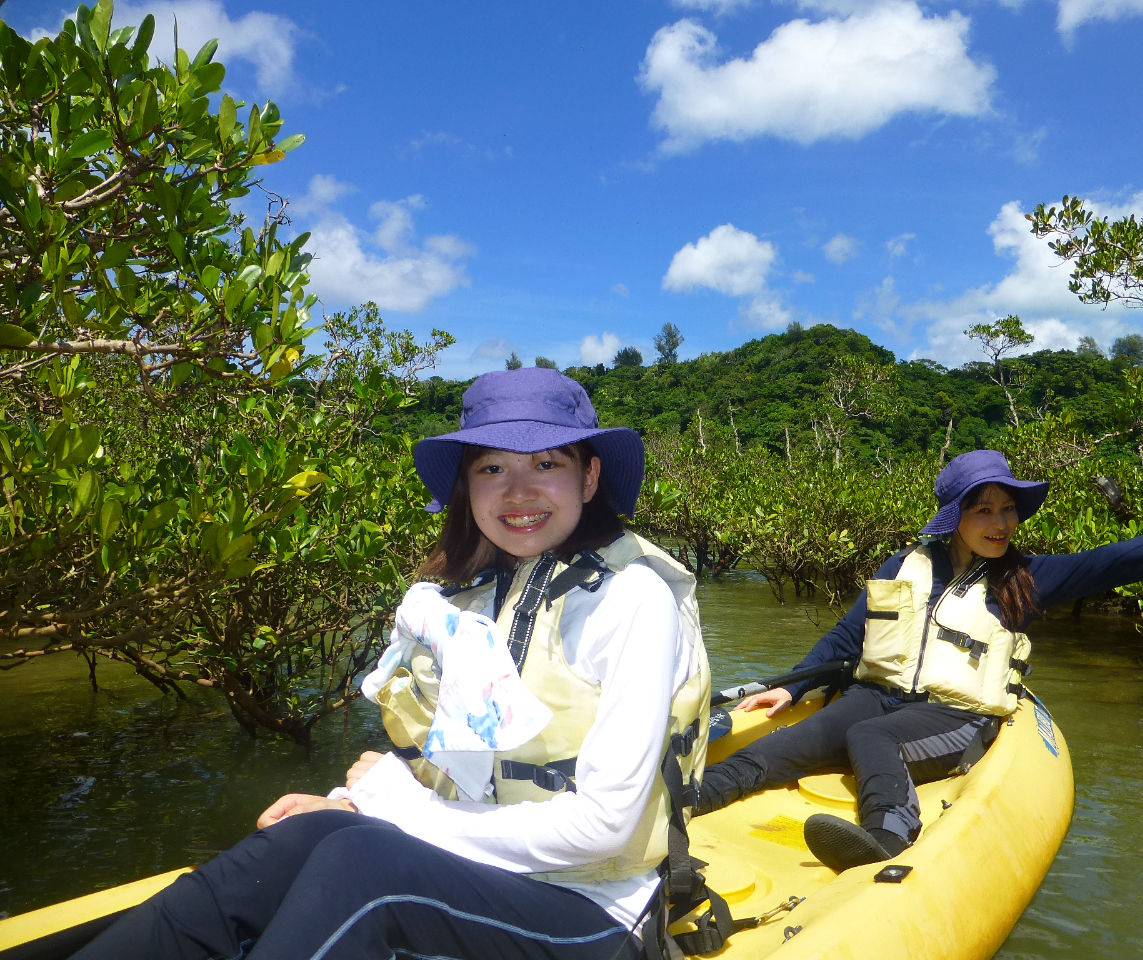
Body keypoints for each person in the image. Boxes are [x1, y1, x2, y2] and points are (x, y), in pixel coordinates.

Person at [70, 368, 711, 960]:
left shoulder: (633, 599)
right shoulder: (476, 599)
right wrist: (351, 803)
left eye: (547, 463)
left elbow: (603, 828)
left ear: (589, 478)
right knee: (301, 839)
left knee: (362, 867)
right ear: (467, 486)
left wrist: (399, 811)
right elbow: (456, 768)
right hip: (481, 868)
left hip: (596, 907)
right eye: (492, 468)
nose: (518, 491)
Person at [694, 449, 1143, 873]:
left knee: (872, 738)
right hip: (878, 695)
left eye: (1007, 510)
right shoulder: (904, 565)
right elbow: (849, 637)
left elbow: (1128, 556)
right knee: (773, 751)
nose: (1000, 523)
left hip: (956, 714)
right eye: (984, 510)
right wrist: (791, 689)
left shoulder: (1029, 578)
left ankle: (887, 839)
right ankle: (683, 803)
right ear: (956, 516)